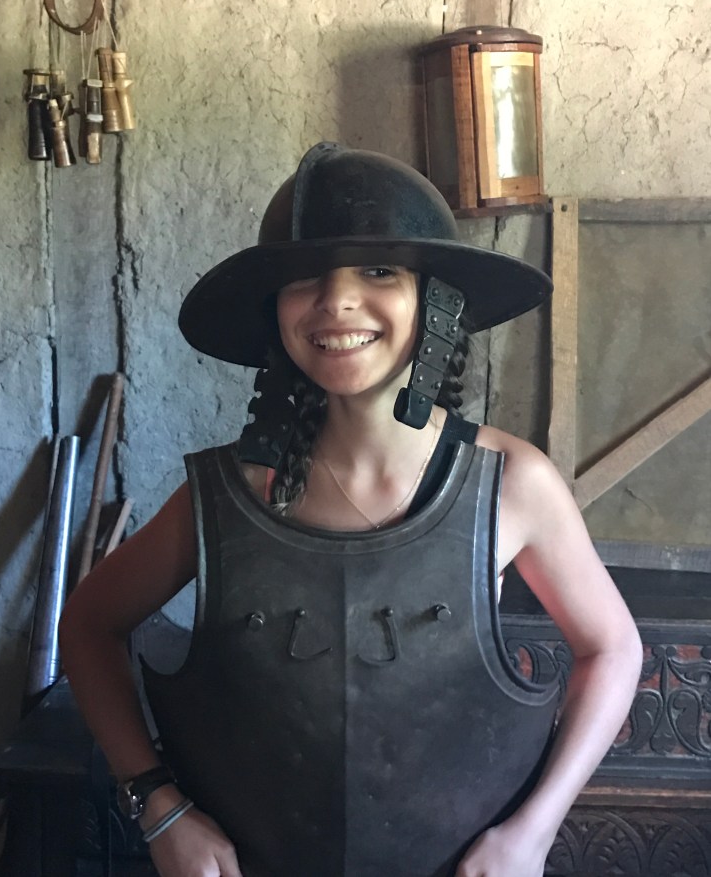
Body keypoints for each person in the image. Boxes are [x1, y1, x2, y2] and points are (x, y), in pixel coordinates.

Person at [59, 142, 643, 877]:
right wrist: (159, 806)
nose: (336, 302)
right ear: (274, 311)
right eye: (306, 276)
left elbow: (613, 650)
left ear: (435, 301)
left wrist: (533, 831)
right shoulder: (230, 493)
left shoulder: (511, 484)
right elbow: (88, 624)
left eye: (378, 271)